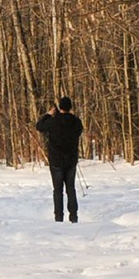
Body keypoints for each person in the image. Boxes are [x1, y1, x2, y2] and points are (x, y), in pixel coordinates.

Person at [36, 95, 83, 223]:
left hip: (56, 161)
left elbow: (39, 126)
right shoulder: (76, 122)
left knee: (58, 191)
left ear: (60, 107)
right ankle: (74, 216)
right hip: (71, 161)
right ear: (70, 107)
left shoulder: (53, 121)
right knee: (71, 189)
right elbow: (79, 131)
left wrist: (48, 115)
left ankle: (58, 218)